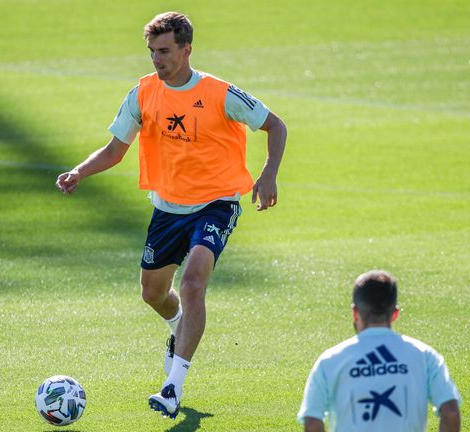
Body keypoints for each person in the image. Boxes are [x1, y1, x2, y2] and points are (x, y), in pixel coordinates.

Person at [56, 12, 287, 419]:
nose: (156, 60)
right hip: (168, 208)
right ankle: (176, 326)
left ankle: (172, 386)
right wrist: (79, 171)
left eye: (164, 51)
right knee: (153, 294)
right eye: (152, 52)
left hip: (217, 202)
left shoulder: (220, 93)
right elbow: (114, 149)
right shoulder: (143, 93)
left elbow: (275, 125)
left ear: (186, 49)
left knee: (194, 281)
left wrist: (268, 174)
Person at [298, 270, 462, 432]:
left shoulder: (330, 360)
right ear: (394, 314)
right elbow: (451, 413)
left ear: (355, 313)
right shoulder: (424, 355)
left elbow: (312, 424)